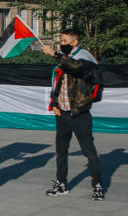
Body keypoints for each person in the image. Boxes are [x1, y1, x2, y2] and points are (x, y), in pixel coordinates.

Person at [42, 28, 104, 201]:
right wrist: (54, 103)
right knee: (61, 151)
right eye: (60, 40)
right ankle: (61, 183)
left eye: (64, 41)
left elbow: (76, 67)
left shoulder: (84, 58)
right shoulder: (65, 61)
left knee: (89, 151)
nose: (62, 44)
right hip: (62, 113)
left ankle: (97, 185)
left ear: (74, 42)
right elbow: (59, 83)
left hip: (79, 113)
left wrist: (55, 54)